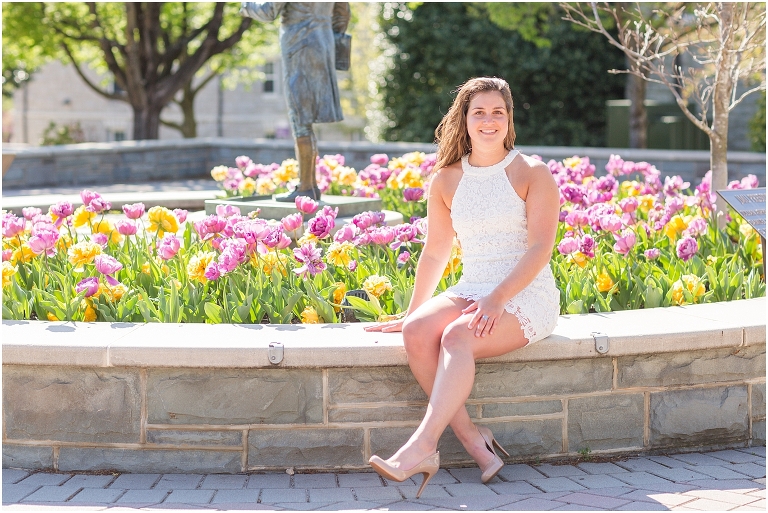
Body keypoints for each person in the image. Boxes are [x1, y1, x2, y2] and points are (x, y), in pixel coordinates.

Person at [364, 77, 560, 498]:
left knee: (457, 336)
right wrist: (411, 313)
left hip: (526, 293)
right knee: (417, 332)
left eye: (498, 113)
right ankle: (474, 439)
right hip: (474, 287)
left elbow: (541, 248)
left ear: (509, 120)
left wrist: (498, 298)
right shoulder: (446, 180)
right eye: (479, 113)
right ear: (465, 120)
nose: (489, 121)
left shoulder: (532, 172)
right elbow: (435, 253)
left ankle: (422, 446)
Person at [240, 2, 350, 201]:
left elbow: (268, 11)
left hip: (298, 46)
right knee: (305, 120)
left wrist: (246, 5)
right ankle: (310, 185)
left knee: (300, 120)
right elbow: (343, 13)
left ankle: (306, 187)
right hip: (324, 45)